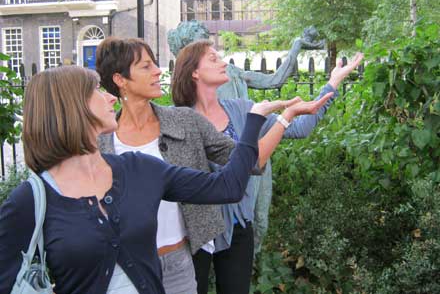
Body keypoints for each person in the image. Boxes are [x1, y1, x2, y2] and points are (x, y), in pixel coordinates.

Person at [0, 65, 297, 294]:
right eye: (95, 90)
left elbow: (229, 187)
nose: (108, 98)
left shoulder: (139, 169)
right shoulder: (30, 201)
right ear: (69, 108)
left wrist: (255, 119)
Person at [94, 37, 330, 294]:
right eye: (146, 66)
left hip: (186, 255)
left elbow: (246, 163)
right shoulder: (102, 140)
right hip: (128, 264)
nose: (158, 71)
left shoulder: (184, 120)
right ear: (120, 79)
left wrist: (278, 119)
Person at [171, 39, 364, 294]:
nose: (224, 63)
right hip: (193, 230)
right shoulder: (176, 119)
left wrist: (333, 83)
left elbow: (299, 127)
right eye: (213, 58)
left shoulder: (243, 110)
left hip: (239, 226)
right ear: (194, 71)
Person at [168, 20, 327, 252]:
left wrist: (297, 46)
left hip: (255, 154)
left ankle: (248, 268)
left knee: (258, 221)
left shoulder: (232, 75)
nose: (217, 57)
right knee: (225, 230)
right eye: (201, 47)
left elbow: (275, 80)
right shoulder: (185, 114)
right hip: (226, 175)